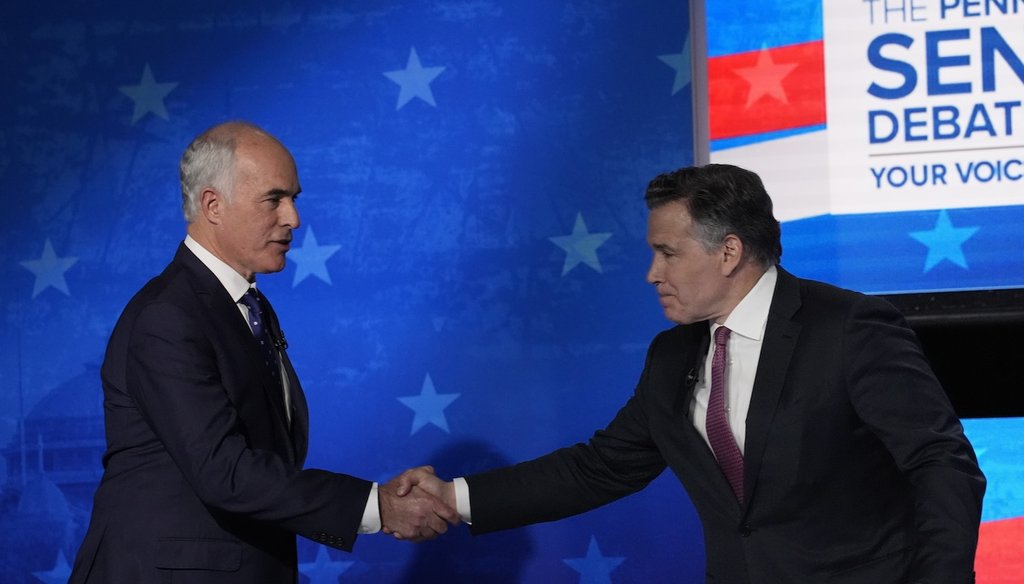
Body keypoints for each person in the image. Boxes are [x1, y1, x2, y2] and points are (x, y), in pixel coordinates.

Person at [398, 164, 986, 583]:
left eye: (668, 253)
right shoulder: (671, 355)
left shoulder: (848, 327)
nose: (652, 274)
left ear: (729, 252)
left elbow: (942, 463)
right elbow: (600, 468)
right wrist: (453, 496)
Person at [69, 121, 458, 583]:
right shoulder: (167, 316)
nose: (293, 218)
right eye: (274, 199)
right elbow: (224, 471)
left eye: (294, 198)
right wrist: (377, 507)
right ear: (213, 204)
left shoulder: (247, 307)